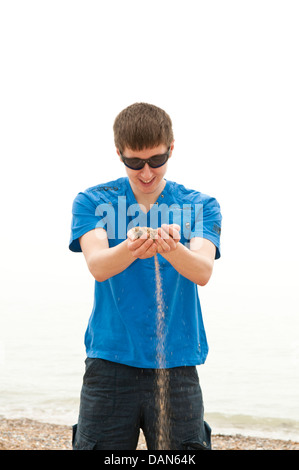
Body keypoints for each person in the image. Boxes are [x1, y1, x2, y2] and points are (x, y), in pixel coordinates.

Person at [69, 102, 222, 450]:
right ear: (119, 153)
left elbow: (202, 270)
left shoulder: (200, 205)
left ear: (171, 149)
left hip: (177, 365)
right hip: (109, 364)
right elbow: (99, 264)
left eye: (156, 160)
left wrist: (172, 248)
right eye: (134, 163)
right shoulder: (93, 201)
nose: (147, 173)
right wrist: (134, 242)